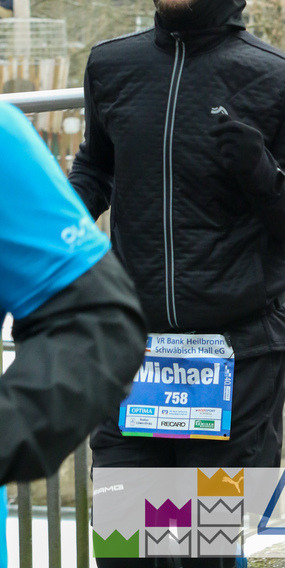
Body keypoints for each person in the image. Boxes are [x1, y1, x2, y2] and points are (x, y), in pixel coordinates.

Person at [69, 0, 285, 568]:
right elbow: (94, 172)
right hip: (131, 357)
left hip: (236, 358)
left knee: (202, 555)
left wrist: (258, 170)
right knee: (126, 552)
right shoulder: (112, 66)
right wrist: (47, 233)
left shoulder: (274, 79)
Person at [0, 101, 146, 568]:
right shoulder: (111, 67)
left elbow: (97, 317)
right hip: (147, 375)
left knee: (208, 539)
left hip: (237, 339)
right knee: (131, 543)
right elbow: (92, 170)